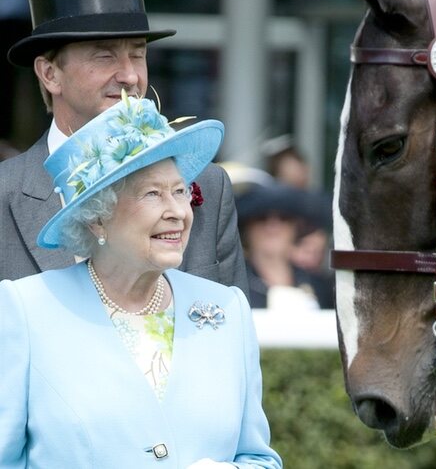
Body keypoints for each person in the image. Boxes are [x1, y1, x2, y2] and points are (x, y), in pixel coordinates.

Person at [0, 95, 282, 468]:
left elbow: (259, 458)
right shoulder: (25, 308)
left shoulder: (227, 310)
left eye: (180, 191)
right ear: (97, 217)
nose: (178, 212)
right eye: (153, 194)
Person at [0, 0, 248, 297]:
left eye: (138, 54)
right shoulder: (5, 193)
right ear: (49, 74)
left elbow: (228, 331)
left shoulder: (211, 186)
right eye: (104, 56)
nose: (130, 75)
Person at [236, 181, 333, 310]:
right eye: (261, 218)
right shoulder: (234, 286)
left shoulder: (318, 285)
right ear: (246, 228)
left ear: (295, 228)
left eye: (283, 218)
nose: (272, 227)